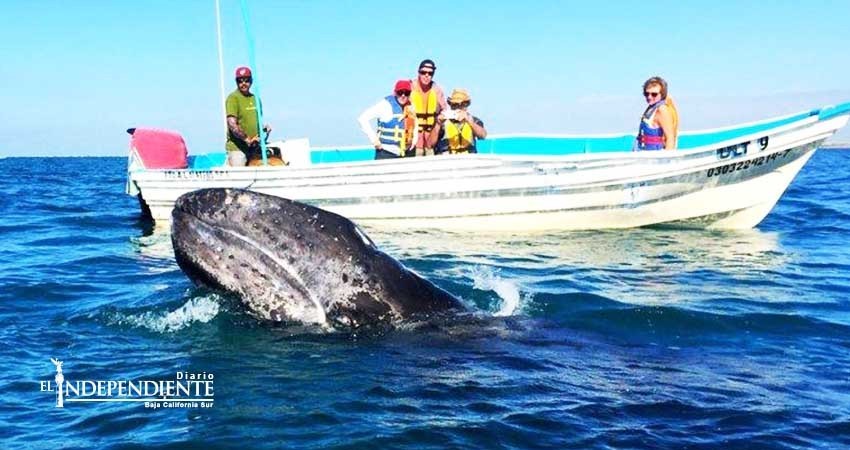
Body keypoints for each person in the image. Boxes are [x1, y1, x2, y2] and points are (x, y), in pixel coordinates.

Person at [225, 66, 278, 166]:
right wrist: (247, 139)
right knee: (240, 171)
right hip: (238, 149)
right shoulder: (233, 98)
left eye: (246, 80)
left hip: (255, 147)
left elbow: (257, 121)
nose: (243, 83)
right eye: (240, 81)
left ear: (251, 81)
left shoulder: (255, 99)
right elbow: (232, 124)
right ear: (236, 82)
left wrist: (264, 129)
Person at [357, 79, 418, 160]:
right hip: (386, 153)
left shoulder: (411, 106)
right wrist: (374, 139)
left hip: (407, 153)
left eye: (406, 93)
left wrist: (415, 139)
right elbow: (363, 118)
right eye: (400, 92)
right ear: (395, 93)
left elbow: (415, 124)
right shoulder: (385, 105)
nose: (403, 96)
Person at [428, 89, 487, 154]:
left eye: (462, 104)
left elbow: (483, 135)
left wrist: (470, 122)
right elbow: (430, 144)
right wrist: (438, 124)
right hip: (447, 158)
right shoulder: (442, 122)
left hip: (468, 158)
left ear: (467, 105)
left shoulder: (473, 120)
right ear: (450, 105)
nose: (458, 107)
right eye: (455, 104)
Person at [410, 59, 448, 156]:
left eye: (430, 73)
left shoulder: (437, 90)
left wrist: (441, 117)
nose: (426, 75)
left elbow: (445, 110)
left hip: (430, 138)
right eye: (423, 72)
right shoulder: (409, 87)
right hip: (412, 138)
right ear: (418, 72)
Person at [636, 76, 679, 151]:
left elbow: (670, 138)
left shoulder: (662, 110)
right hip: (644, 152)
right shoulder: (651, 108)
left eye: (654, 94)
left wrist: (667, 156)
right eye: (646, 94)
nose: (649, 97)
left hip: (655, 154)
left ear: (662, 94)